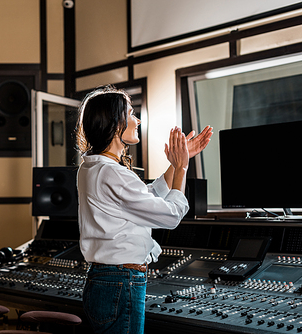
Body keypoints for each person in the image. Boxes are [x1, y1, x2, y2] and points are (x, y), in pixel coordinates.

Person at [76, 85, 212, 334]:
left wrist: (178, 162)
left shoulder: (94, 168)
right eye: (131, 113)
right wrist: (181, 169)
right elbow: (170, 215)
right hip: (120, 281)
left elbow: (145, 199)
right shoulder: (111, 172)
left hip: (107, 281)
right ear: (115, 123)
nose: (137, 120)